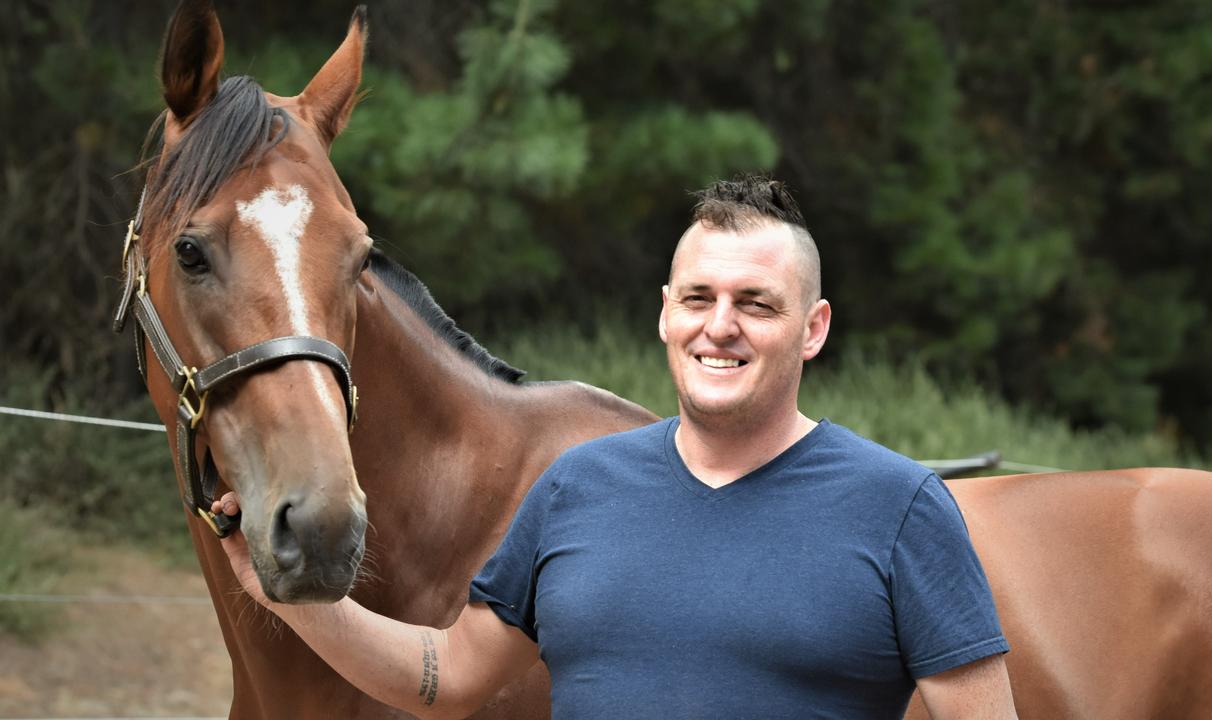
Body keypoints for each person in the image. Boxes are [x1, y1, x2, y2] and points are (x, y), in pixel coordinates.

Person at [215, 176, 1017, 719]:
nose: (720, 325)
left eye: (756, 303)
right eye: (699, 297)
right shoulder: (577, 488)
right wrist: (290, 600)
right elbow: (450, 676)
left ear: (814, 329)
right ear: (666, 313)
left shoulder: (902, 509)